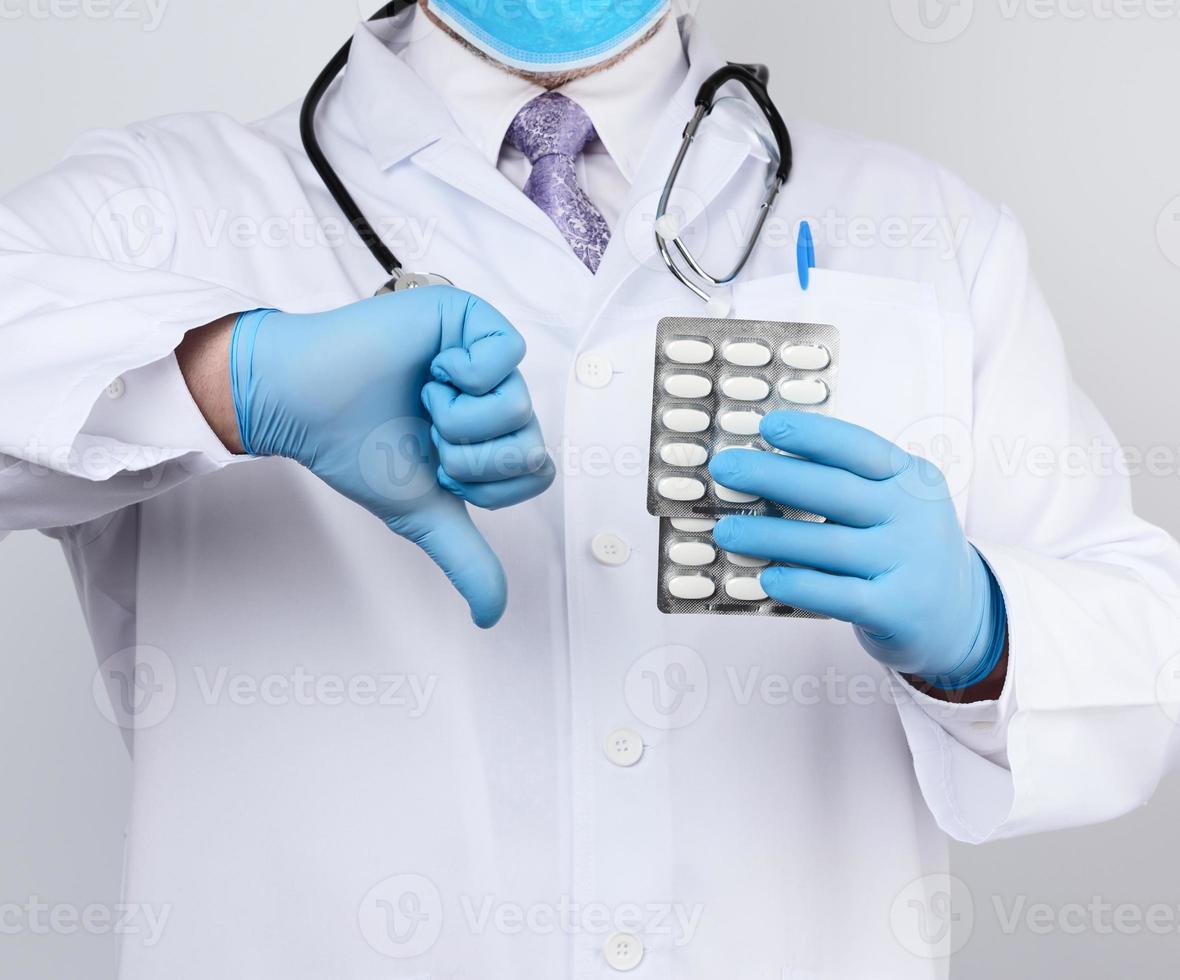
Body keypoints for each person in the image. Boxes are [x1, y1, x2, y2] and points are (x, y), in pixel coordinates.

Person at [1, 1, 1178, 976]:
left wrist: (983, 631)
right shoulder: (160, 208)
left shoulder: (929, 230)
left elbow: (1140, 663)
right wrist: (225, 372)